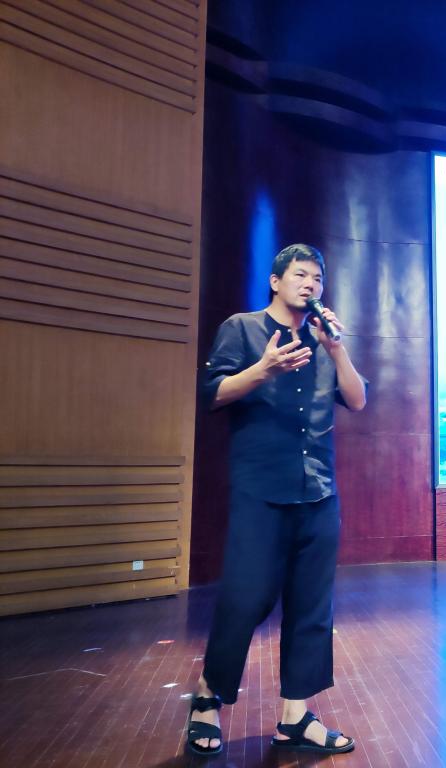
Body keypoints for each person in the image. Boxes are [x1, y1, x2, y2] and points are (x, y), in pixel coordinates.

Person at [186, 244, 367, 757]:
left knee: (312, 606)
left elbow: (357, 400)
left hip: (318, 491)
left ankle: (295, 717)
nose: (310, 284)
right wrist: (263, 370)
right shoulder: (242, 329)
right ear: (275, 280)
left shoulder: (324, 340)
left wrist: (337, 350)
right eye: (300, 275)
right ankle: (207, 699)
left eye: (317, 279)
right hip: (260, 490)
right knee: (244, 598)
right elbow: (212, 394)